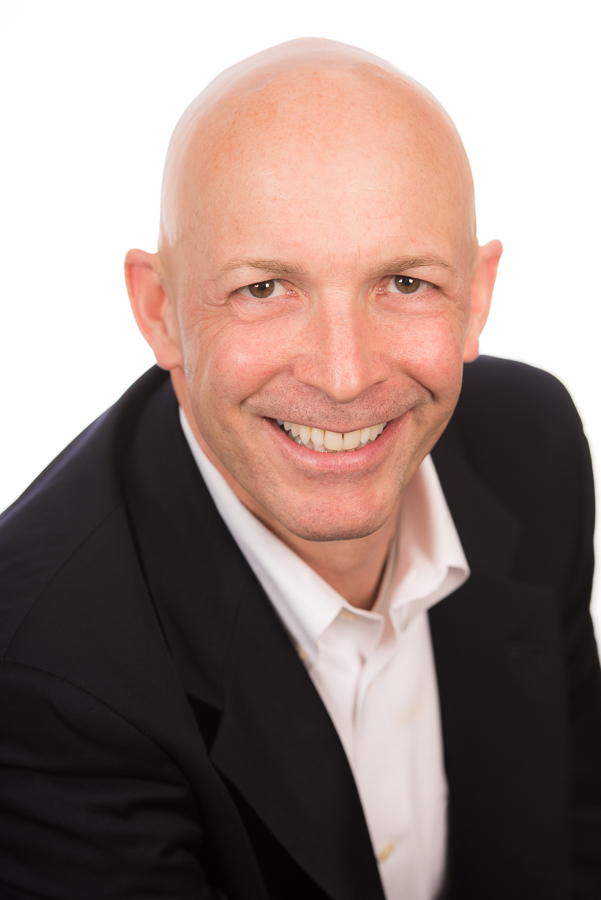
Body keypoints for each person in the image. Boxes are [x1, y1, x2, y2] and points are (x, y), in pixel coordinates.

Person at [0, 37, 599, 900]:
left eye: (402, 282)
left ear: (476, 296)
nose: (344, 373)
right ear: (159, 311)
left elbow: (572, 834)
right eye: (264, 288)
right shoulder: (48, 677)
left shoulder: (530, 443)